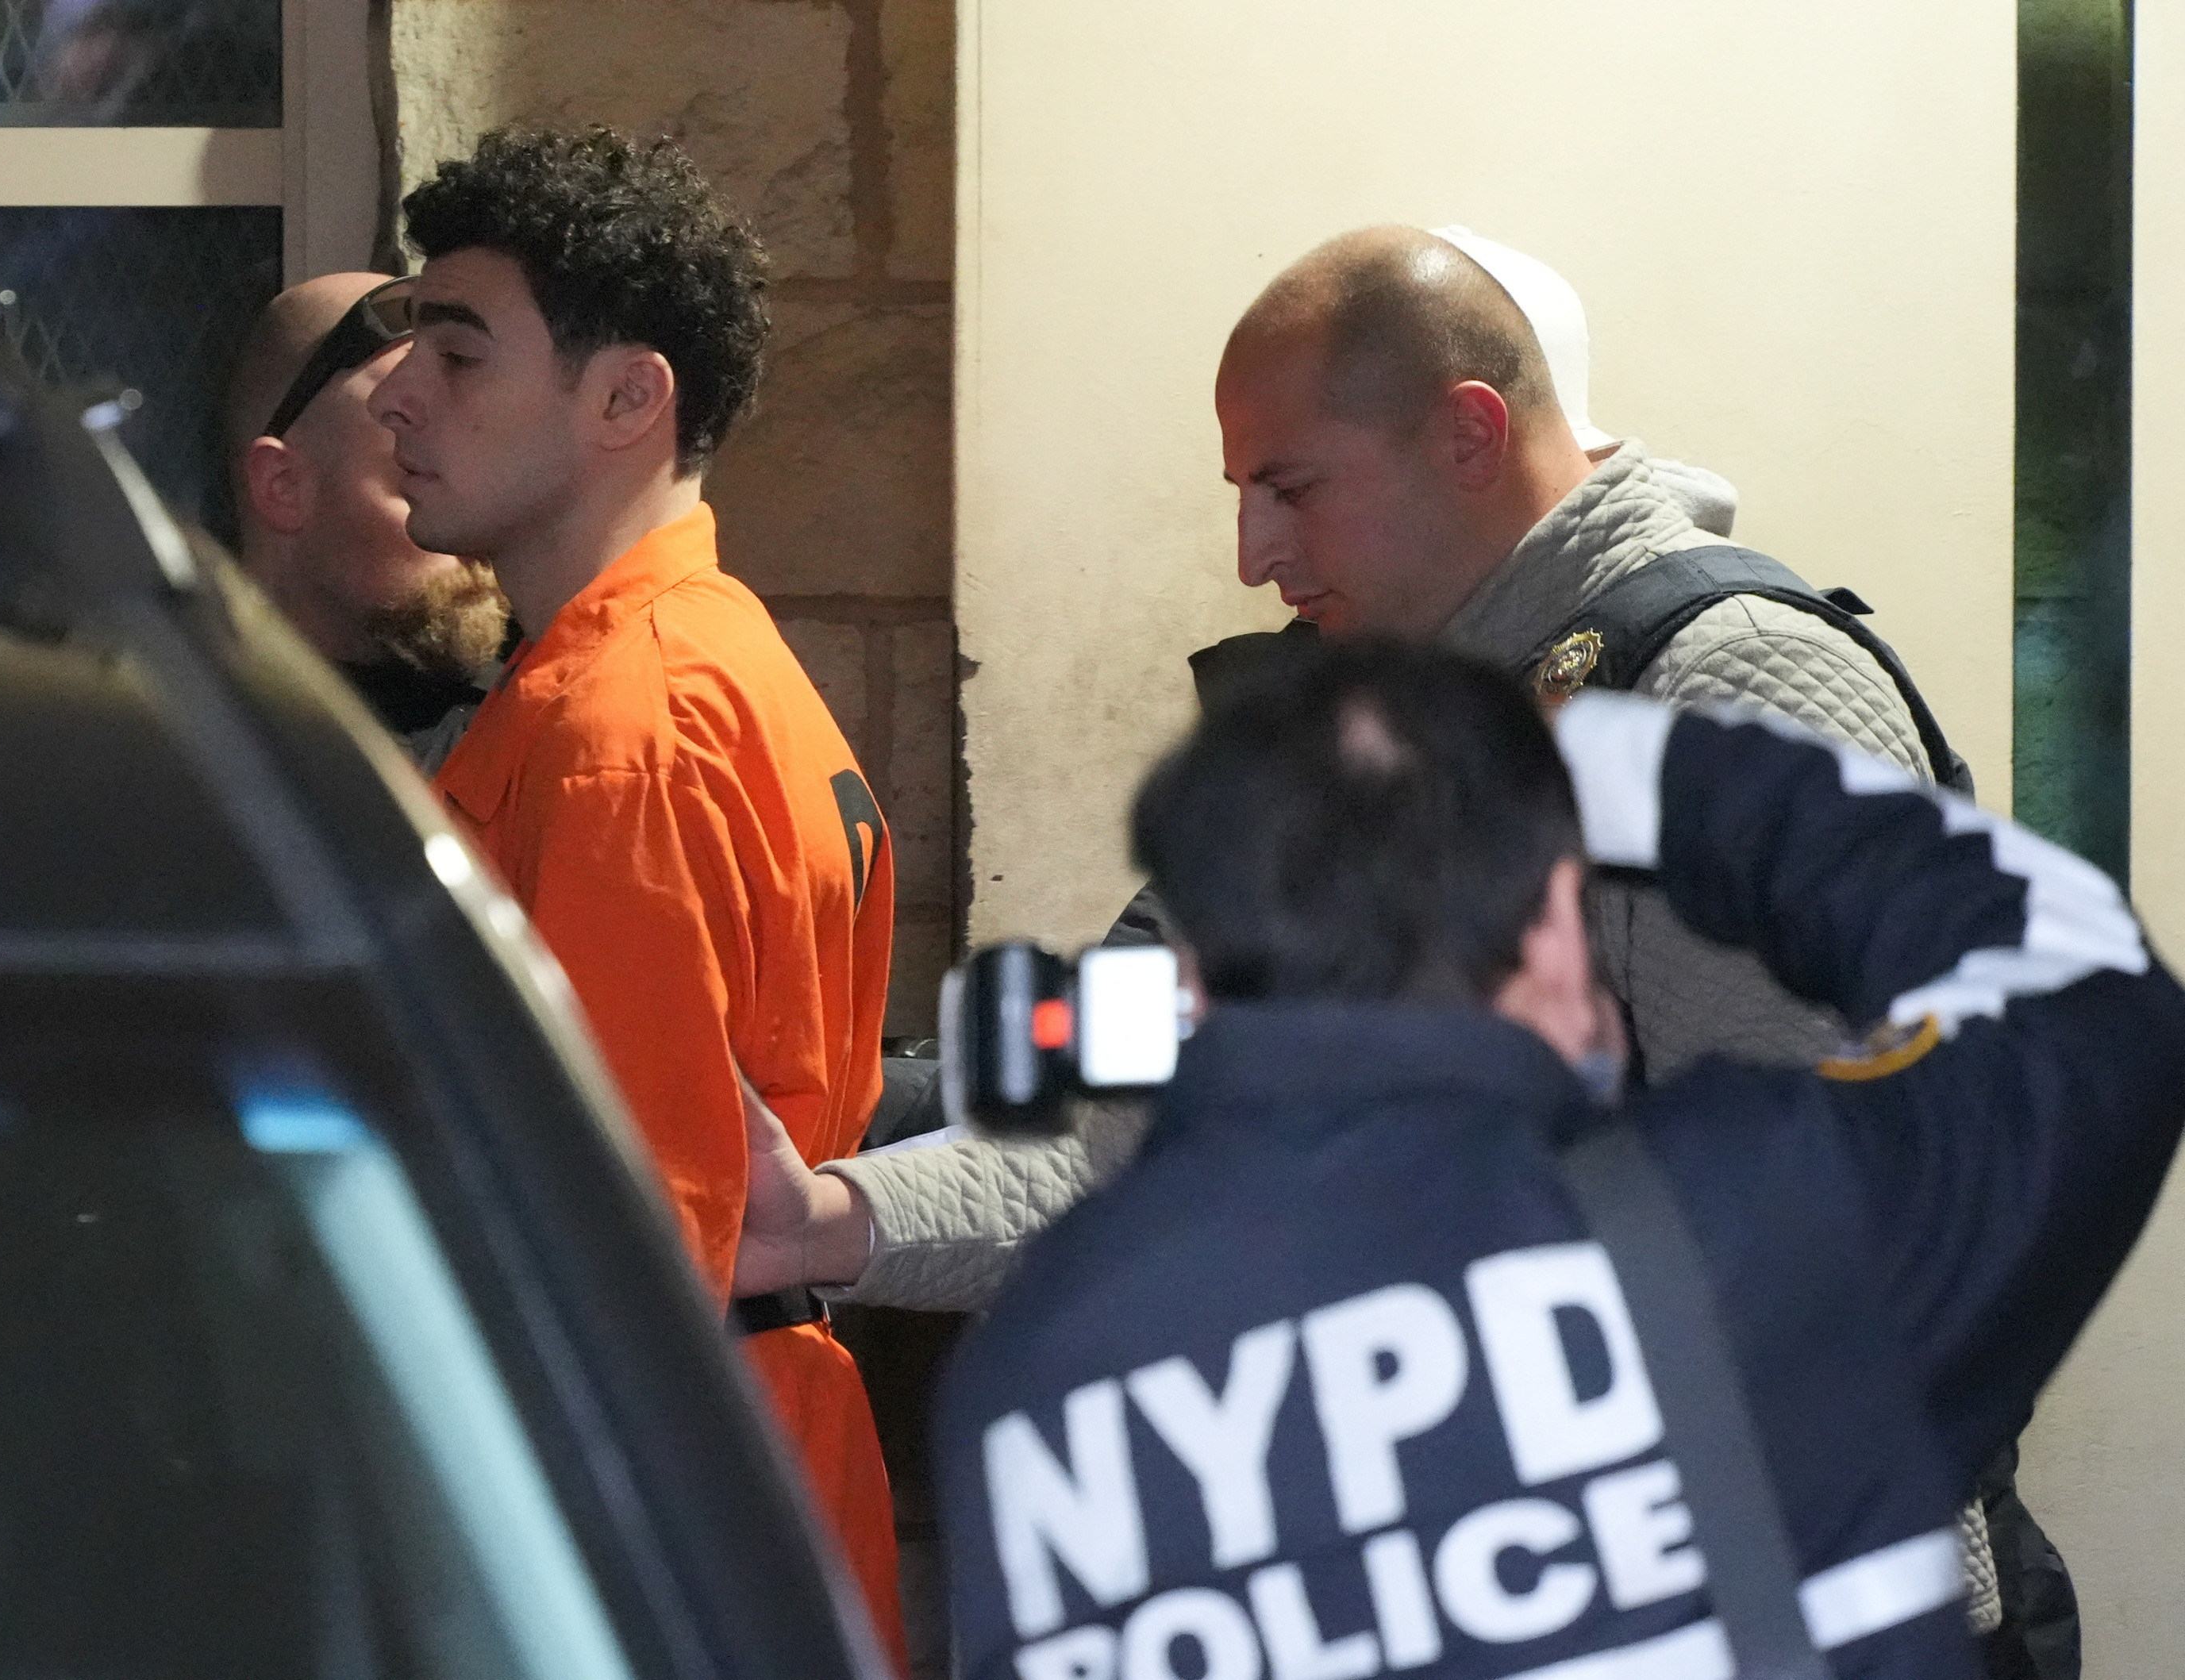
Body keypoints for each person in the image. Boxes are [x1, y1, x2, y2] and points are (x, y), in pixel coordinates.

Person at [736, 225, 2073, 1670]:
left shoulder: (1729, 695)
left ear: (1468, 433)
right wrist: (829, 1220)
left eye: (1288, 487)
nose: (1252, 554)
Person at [933, 639, 2184, 1680]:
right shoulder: (1764, 1228)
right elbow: (2089, 990)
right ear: (1547, 936)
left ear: (1189, 971)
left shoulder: (1031, 1385)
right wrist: (1622, 766)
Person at [368, 127, 906, 1663]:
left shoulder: (625, 731)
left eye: (456, 351)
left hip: (656, 1521)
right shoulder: (682, 666)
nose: (398, 389)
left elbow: (624, 1260)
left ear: (625, 396)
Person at [224, 272, 510, 765]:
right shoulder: (166, 753)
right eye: (420, 481)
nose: (477, 532)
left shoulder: (530, 723)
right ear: (282, 487)